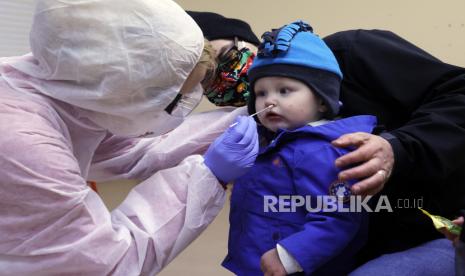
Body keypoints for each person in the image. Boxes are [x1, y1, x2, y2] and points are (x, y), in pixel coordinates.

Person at [188, 11, 465, 275]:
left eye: (222, 57)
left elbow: (459, 94)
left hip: (442, 226)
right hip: (348, 252)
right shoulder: (257, 130)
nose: (223, 77)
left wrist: (398, 146)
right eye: (205, 80)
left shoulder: (352, 54)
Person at [0, 1, 259, 275]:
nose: (176, 108)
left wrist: (242, 119)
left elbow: (135, 149)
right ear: (128, 85)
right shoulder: (24, 142)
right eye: (172, 99)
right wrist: (208, 176)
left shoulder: (72, 92)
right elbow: (107, 264)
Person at [222, 21, 377, 276]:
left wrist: (290, 255)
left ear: (322, 100)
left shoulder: (323, 151)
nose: (269, 101)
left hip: (297, 266)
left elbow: (338, 217)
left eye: (285, 90)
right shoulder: (274, 143)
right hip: (259, 262)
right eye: (261, 93)